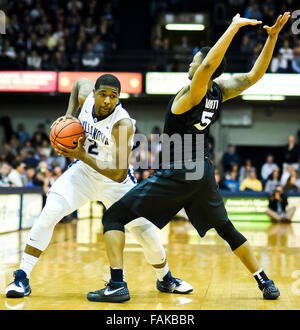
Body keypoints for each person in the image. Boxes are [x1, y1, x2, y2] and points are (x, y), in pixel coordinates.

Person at [86, 13, 290, 303]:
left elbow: (209, 64)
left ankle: (117, 284)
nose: (190, 62)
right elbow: (255, 75)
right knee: (227, 228)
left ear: (206, 67)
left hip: (179, 170)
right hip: (202, 172)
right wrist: (272, 38)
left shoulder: (193, 94)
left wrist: (232, 27)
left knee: (113, 216)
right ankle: (265, 281)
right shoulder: (220, 92)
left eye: (194, 59)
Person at [5, 75, 192, 298]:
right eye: (103, 94)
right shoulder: (86, 99)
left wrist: (81, 154)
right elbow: (78, 83)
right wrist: (69, 115)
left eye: (113, 97)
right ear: (94, 93)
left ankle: (165, 278)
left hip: (116, 182)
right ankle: (22, 277)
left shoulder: (122, 124)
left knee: (145, 232)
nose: (107, 100)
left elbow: (119, 172)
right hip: (82, 174)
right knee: (50, 212)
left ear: (118, 98)